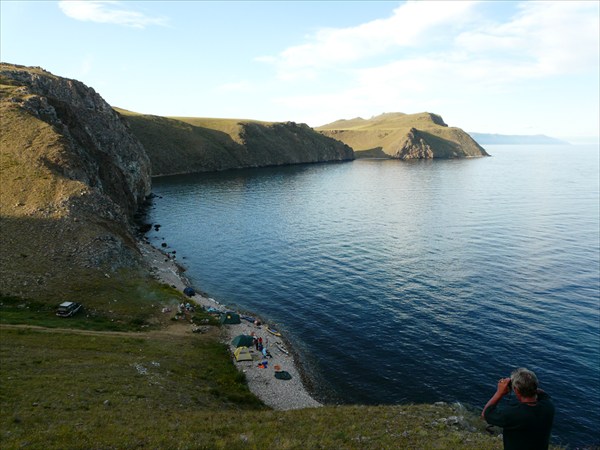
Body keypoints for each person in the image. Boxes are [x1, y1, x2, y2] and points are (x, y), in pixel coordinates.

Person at [482, 367, 555, 450]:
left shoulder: (512, 414)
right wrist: (528, 385)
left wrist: (499, 392)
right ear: (535, 385)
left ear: (516, 390)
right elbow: (543, 393)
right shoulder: (548, 406)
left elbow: (485, 414)